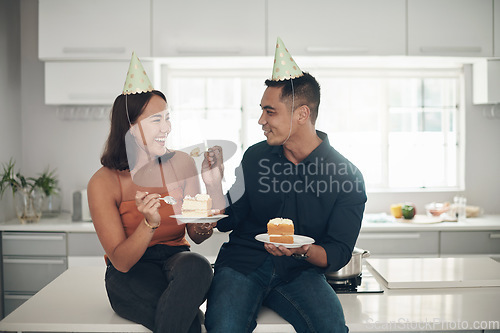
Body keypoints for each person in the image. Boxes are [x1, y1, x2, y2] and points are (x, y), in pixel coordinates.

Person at [203, 38, 367, 332]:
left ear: (302, 114)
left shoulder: (347, 177)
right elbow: (231, 219)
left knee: (332, 328)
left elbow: (338, 252)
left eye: (270, 111)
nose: (260, 120)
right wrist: (214, 185)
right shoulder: (256, 156)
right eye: (262, 110)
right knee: (223, 328)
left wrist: (300, 250)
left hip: (300, 273)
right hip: (242, 265)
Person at [88, 53, 221, 333]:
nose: (167, 128)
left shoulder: (182, 163)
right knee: (191, 324)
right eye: (156, 120)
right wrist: (149, 223)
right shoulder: (104, 182)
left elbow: (196, 236)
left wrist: (212, 185)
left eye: (168, 119)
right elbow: (122, 262)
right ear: (131, 128)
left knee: (199, 266)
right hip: (131, 273)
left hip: (178, 261)